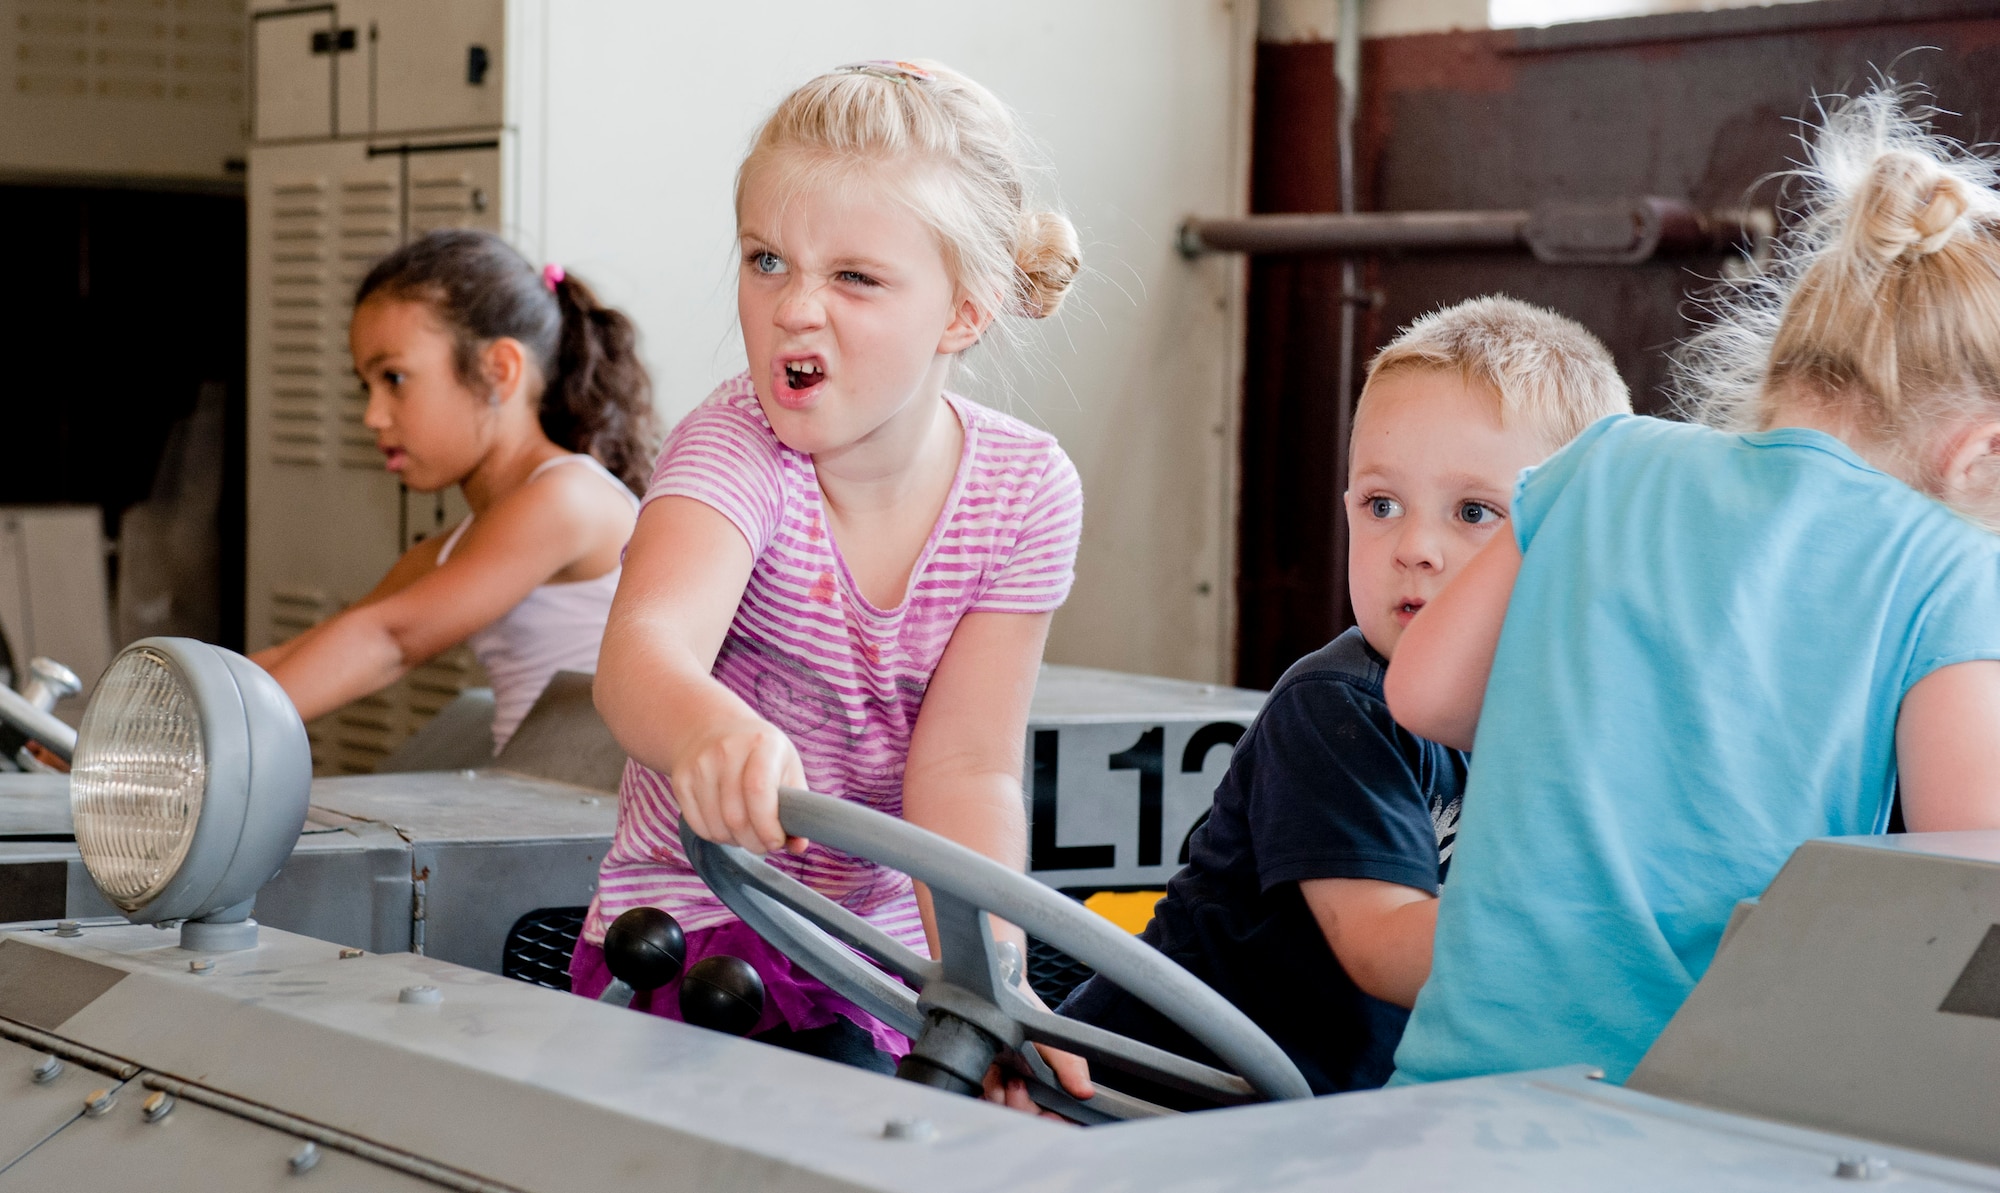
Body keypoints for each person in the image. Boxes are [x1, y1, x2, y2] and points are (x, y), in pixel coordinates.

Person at [1384, 89, 2000, 1087]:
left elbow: (1421, 694)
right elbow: (1967, 875)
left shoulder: (1604, 457)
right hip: (1700, 1113)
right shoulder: (1945, 566)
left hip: (1455, 1090)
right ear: (1981, 448)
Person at [573, 60, 1092, 1089]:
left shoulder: (1025, 490)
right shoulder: (731, 449)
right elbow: (641, 654)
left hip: (887, 960)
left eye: (854, 277)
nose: (794, 307)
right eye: (767, 259)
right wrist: (708, 729)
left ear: (961, 312)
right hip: (699, 931)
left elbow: (966, 768)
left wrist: (990, 978)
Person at [1054, 297, 1630, 1105]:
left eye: (1473, 512)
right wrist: (1619, 944)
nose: (1415, 549)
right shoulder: (1337, 706)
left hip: (1332, 1125)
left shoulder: (1567, 723)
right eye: (1381, 504)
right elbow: (1386, 946)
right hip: (1137, 1103)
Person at [255, 230, 655, 753]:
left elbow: (390, 642)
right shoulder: (456, 549)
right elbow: (315, 647)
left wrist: (212, 733)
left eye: (394, 378)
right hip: (536, 804)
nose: (372, 416)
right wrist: (169, 704)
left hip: (600, 821)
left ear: (498, 372)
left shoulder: (566, 499)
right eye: (365, 385)